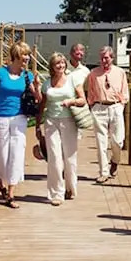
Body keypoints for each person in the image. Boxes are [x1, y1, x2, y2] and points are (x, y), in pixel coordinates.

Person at [0, 41, 34, 208]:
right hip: (0, 118)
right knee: (3, 155)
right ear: (16, 56)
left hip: (19, 118)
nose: (27, 58)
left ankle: (11, 193)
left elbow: (37, 97)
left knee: (17, 154)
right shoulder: (0, 74)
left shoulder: (27, 76)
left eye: (28, 55)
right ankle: (1, 182)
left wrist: (37, 88)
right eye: (24, 55)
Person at [36, 51, 87, 206]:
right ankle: (56, 193)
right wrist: (37, 125)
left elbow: (82, 100)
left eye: (63, 62)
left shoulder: (73, 79)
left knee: (69, 158)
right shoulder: (47, 83)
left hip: (69, 121)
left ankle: (70, 187)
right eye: (57, 63)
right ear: (52, 66)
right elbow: (42, 105)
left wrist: (71, 101)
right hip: (51, 122)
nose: (61, 65)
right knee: (54, 158)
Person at [86, 45, 130, 183]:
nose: (104, 60)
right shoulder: (93, 73)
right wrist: (92, 106)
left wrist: (121, 105)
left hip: (116, 106)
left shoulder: (120, 72)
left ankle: (115, 161)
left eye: (106, 58)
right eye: (102, 58)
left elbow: (125, 92)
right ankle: (103, 172)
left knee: (118, 141)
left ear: (112, 58)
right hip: (99, 107)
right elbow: (90, 91)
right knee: (101, 142)